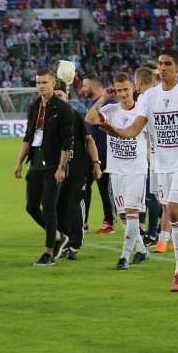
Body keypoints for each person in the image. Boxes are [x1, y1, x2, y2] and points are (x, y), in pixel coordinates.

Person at [99, 49, 178, 292]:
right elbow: (135, 130)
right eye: (160, 63)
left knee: (175, 211)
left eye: (168, 64)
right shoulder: (149, 97)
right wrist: (116, 131)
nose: (163, 67)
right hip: (160, 166)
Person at [85, 73, 150, 269]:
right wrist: (104, 97)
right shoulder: (111, 109)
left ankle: (124, 255)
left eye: (125, 89)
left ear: (133, 90)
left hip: (136, 170)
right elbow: (90, 118)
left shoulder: (142, 111)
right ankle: (141, 249)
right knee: (123, 215)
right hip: (116, 170)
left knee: (131, 213)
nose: (122, 94)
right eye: (119, 90)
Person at [13, 68, 74, 266]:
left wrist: (61, 168)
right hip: (36, 165)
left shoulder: (63, 109)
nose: (41, 86)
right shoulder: (34, 107)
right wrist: (19, 163)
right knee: (31, 207)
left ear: (53, 83)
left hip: (53, 166)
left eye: (44, 83)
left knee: (48, 208)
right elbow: (28, 137)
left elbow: (67, 142)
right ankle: (58, 235)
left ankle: (49, 252)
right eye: (38, 83)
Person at [54, 79, 100, 260]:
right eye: (55, 96)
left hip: (78, 171)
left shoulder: (75, 116)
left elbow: (89, 140)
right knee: (59, 209)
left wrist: (96, 163)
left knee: (75, 207)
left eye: (61, 96)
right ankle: (64, 241)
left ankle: (74, 246)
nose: (58, 99)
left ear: (66, 97)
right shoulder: (48, 118)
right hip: (56, 173)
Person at [81, 74, 115, 234]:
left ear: (94, 86)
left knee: (105, 189)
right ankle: (83, 221)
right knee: (84, 188)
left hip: (106, 153)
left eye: (84, 86)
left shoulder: (110, 103)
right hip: (89, 154)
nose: (82, 89)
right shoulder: (92, 103)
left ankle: (109, 222)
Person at [134, 66, 161, 245]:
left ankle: (152, 234)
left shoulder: (145, 98)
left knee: (151, 197)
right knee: (159, 197)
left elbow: (144, 130)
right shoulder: (160, 95)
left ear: (140, 83)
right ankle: (161, 230)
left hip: (151, 156)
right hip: (163, 154)